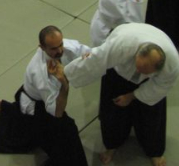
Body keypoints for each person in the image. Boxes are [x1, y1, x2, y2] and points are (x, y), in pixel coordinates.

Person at [63, 23, 179, 166]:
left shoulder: (171, 64)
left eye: (144, 71)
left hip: (150, 82)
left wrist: (132, 95)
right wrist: (65, 75)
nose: (138, 72)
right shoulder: (122, 46)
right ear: (137, 53)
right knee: (114, 110)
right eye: (138, 67)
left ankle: (154, 151)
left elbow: (160, 87)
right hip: (120, 71)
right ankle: (112, 145)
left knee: (152, 116)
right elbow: (94, 61)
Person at [0, 26, 89, 165]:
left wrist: (89, 58)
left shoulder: (63, 45)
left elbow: (87, 52)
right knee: (66, 132)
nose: (60, 50)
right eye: (53, 48)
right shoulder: (40, 73)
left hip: (36, 93)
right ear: (42, 47)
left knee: (28, 124)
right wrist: (64, 83)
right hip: (36, 104)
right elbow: (57, 113)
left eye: (60, 44)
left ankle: (2, 105)